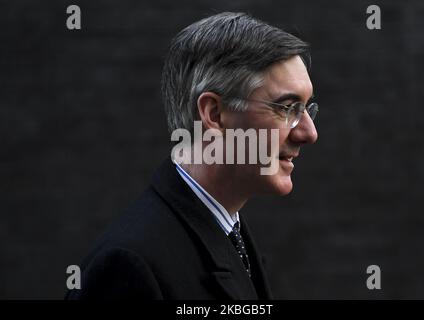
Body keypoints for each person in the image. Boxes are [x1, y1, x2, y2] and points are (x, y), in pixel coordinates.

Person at [66, 11, 318, 300]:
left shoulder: (228, 231)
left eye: (307, 109)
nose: (310, 133)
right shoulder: (128, 267)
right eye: (287, 108)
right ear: (214, 114)